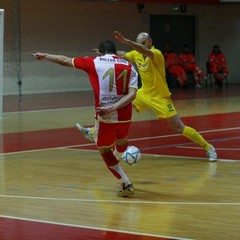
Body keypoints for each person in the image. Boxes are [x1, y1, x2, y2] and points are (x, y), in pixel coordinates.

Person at [78, 31, 217, 162]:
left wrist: (127, 41)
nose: (141, 45)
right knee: (118, 104)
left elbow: (144, 51)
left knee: (178, 128)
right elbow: (122, 54)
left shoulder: (156, 53)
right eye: (140, 43)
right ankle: (93, 132)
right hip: (143, 94)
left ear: (150, 41)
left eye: (144, 42)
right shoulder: (135, 54)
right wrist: (105, 55)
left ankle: (208, 147)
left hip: (160, 97)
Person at [32, 40, 139, 197]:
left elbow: (64, 60)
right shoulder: (129, 66)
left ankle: (126, 184)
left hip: (105, 117)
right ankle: (103, 143)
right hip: (125, 116)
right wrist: (115, 107)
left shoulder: (94, 62)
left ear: (101, 52)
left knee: (104, 150)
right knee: (122, 141)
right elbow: (133, 94)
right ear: (115, 51)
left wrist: (46, 55)